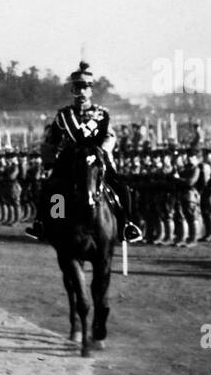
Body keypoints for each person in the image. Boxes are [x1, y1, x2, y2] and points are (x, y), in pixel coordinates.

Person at [25, 63, 143, 243]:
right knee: (52, 188)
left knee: (121, 188)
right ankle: (45, 224)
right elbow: (52, 140)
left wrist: (100, 152)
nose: (80, 93)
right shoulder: (63, 115)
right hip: (70, 158)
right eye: (77, 89)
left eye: (84, 88)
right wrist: (51, 159)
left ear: (90, 91)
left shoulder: (101, 114)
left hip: (95, 156)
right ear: (72, 91)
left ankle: (126, 224)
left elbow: (106, 136)